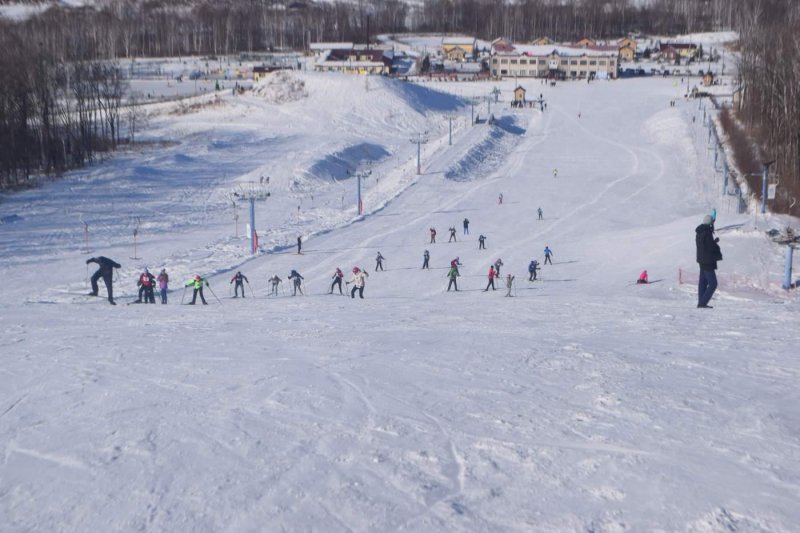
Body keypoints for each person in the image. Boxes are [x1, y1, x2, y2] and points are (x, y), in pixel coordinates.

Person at [696, 214, 722, 308]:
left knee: (703, 282)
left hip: (702, 259)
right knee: (713, 283)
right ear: (710, 223)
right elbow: (710, 248)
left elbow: (705, 246)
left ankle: (701, 302)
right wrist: (715, 243)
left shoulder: (700, 231)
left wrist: (713, 242)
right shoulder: (707, 232)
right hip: (707, 261)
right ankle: (702, 303)